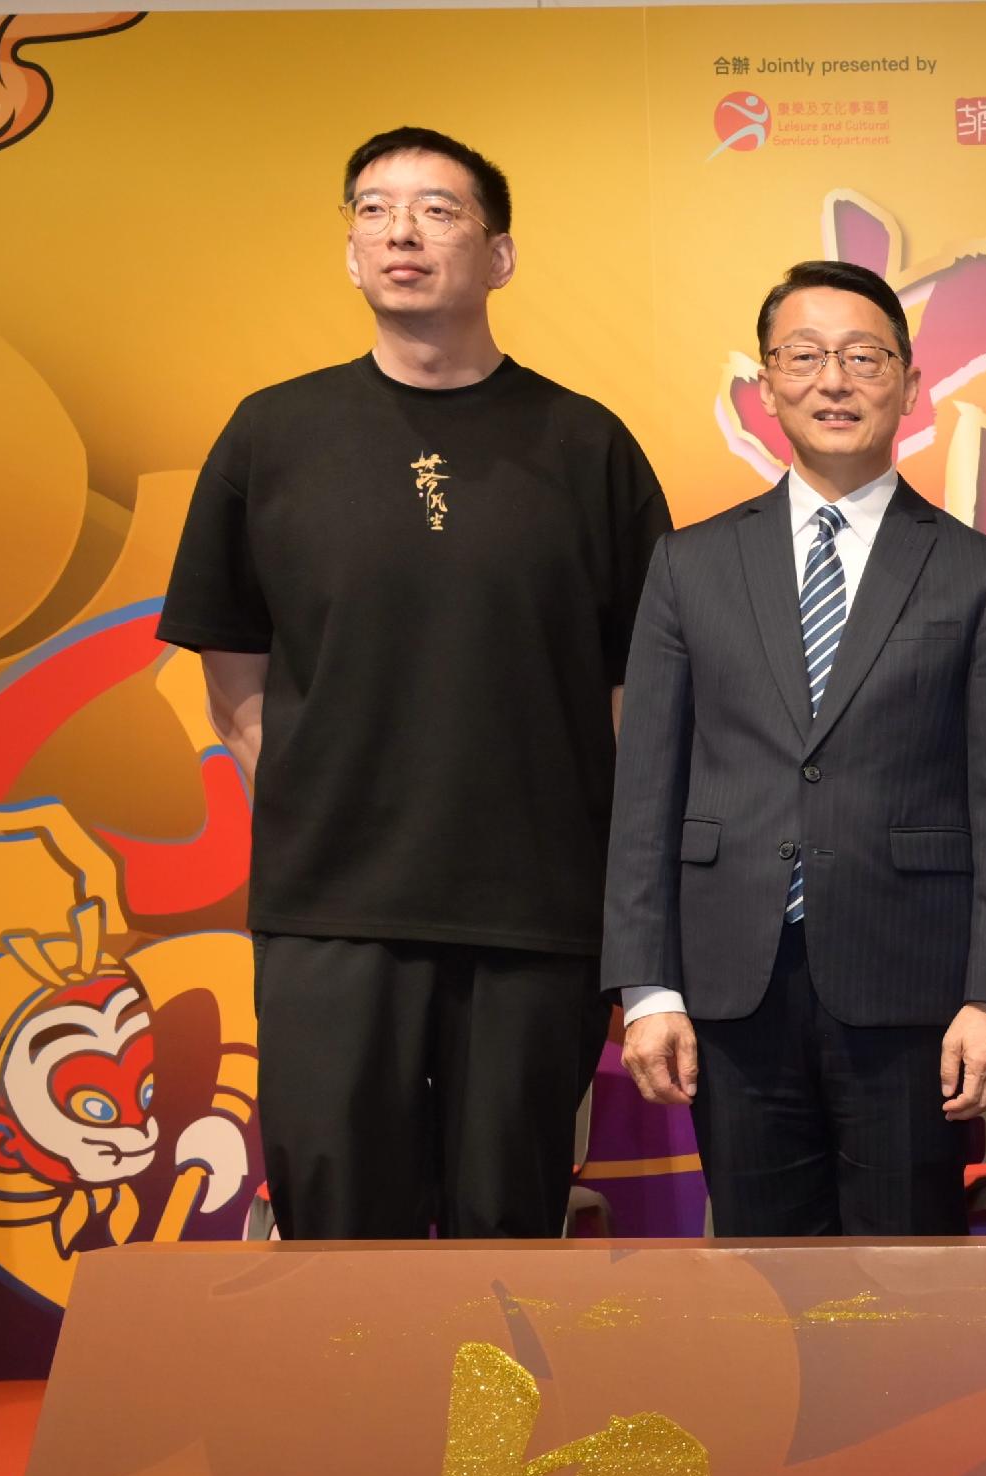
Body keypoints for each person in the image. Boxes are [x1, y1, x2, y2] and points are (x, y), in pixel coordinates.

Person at [160, 126, 670, 1237]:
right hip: (331, 912)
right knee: (338, 1221)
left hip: (534, 914)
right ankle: (347, 1423)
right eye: (375, 208)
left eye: (439, 210)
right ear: (349, 250)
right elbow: (233, 668)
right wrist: (315, 815)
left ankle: (493, 1423)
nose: (402, 230)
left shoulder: (587, 447)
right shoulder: (273, 434)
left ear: (499, 256)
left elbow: (639, 689)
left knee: (509, 1221)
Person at [602, 260, 986, 1235]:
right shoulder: (689, 564)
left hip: (912, 992)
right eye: (802, 357)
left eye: (862, 357)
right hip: (731, 987)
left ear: (910, 383)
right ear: (766, 386)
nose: (832, 381)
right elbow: (647, 787)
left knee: (905, 1279)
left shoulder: (977, 575)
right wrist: (648, 985)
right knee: (763, 1286)